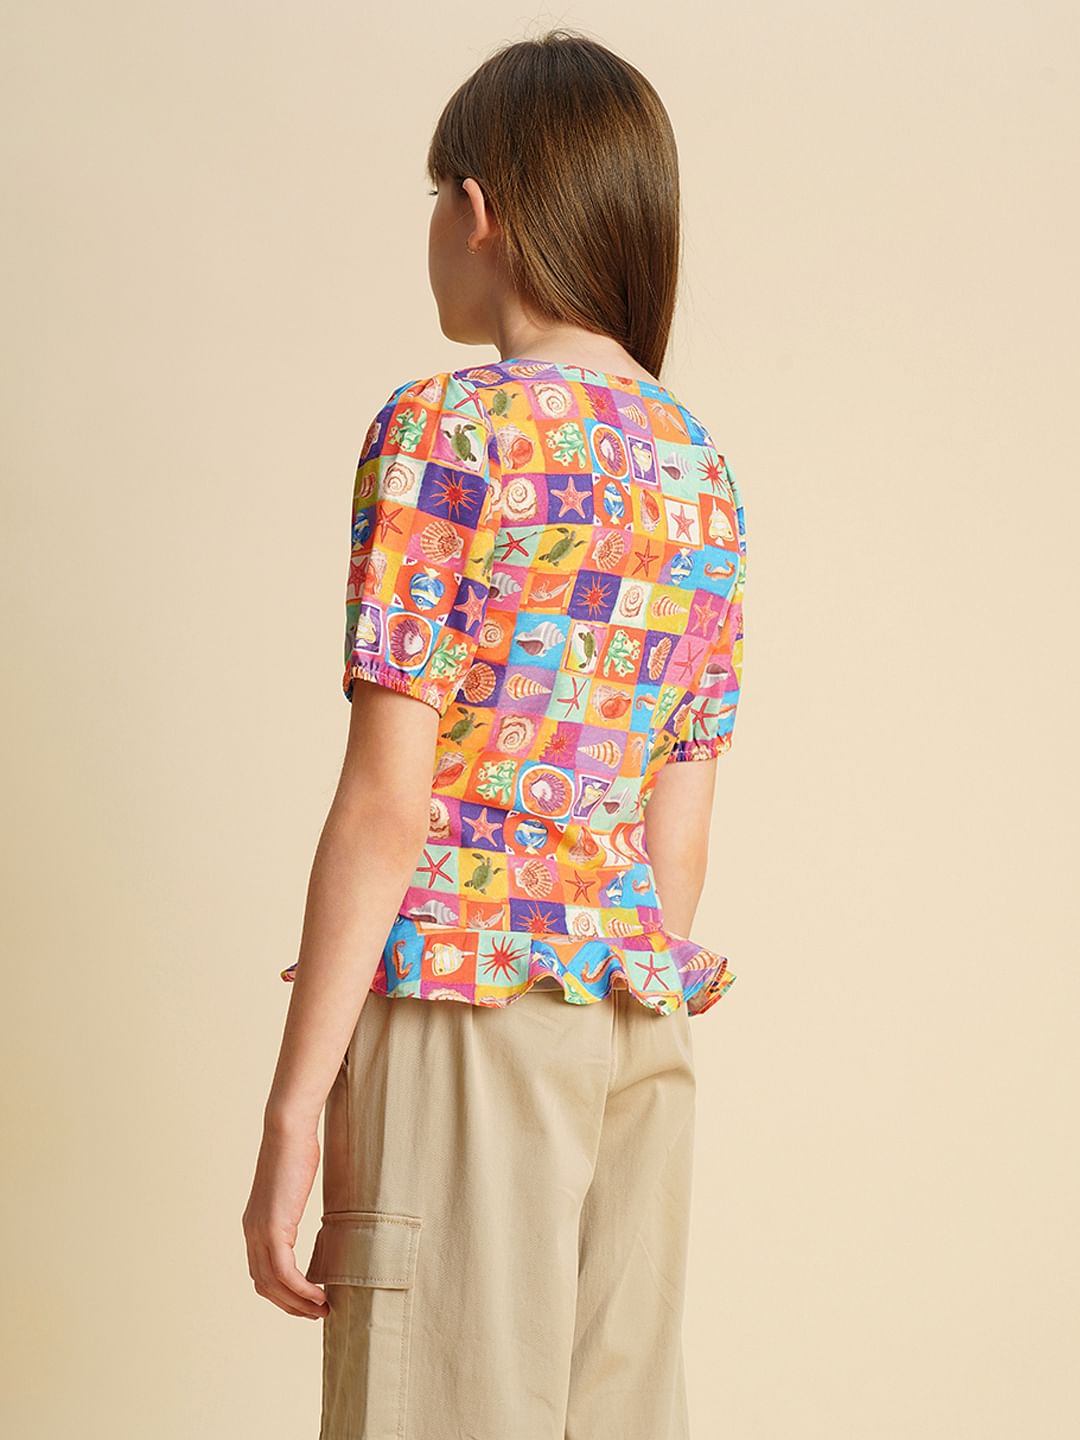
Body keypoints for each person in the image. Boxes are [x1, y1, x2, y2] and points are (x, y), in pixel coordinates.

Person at [243, 28, 747, 1440]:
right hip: (634, 1029)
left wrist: (295, 1109)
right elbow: (678, 833)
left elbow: (386, 803)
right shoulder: (696, 469)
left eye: (436, 196)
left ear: (483, 207)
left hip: (466, 1014)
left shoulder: (447, 431)